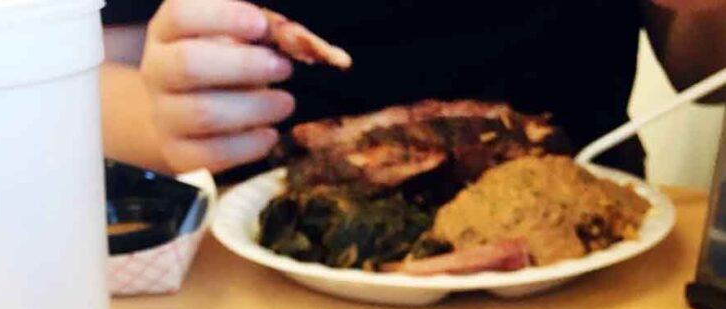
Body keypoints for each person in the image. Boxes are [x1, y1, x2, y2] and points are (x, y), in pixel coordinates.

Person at [100, 0, 726, 177]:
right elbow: (91, 77)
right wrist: (164, 123)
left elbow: (705, 80)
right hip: (277, 267)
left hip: (598, 257)